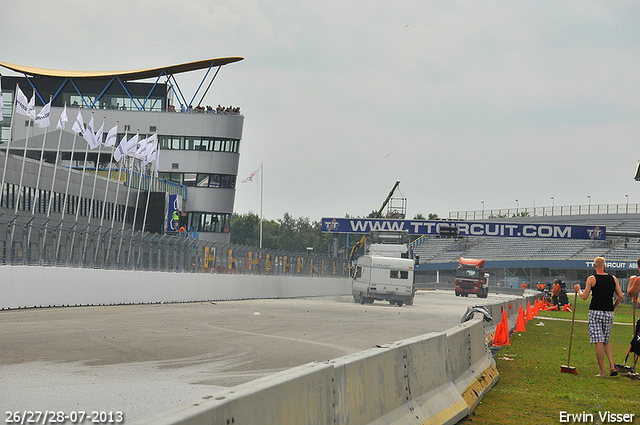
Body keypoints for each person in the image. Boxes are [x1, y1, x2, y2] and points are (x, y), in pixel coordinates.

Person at [574, 257, 624, 377]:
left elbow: (585, 296)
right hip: (608, 312)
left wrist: (579, 291)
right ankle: (612, 366)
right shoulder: (613, 279)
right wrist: (613, 307)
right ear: (604, 266)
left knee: (598, 342)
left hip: (595, 311)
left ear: (595, 266)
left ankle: (602, 372)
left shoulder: (592, 279)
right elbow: (620, 296)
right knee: (606, 341)